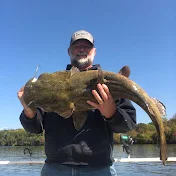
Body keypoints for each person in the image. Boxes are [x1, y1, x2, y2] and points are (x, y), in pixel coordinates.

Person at [18, 30, 137, 176]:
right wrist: (29, 111)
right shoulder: (51, 84)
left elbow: (128, 124)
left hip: (99, 169)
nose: (81, 49)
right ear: (69, 51)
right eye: (77, 46)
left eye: (86, 46)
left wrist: (111, 113)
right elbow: (34, 129)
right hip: (56, 168)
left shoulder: (109, 84)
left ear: (94, 51)